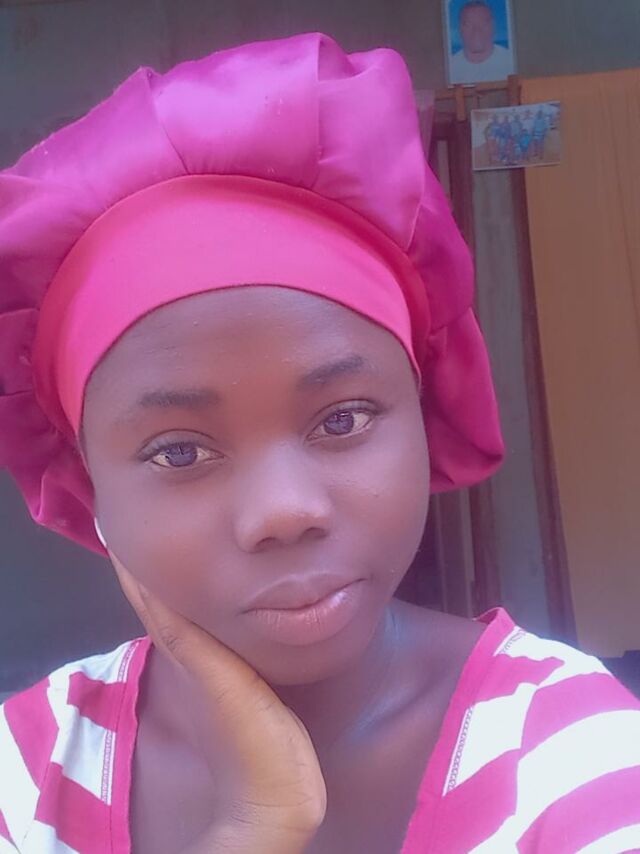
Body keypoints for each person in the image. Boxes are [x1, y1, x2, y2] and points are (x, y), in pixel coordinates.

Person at [1, 32, 640, 854]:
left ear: (422, 411)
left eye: (343, 419)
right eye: (178, 451)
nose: (285, 511)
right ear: (87, 484)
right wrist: (253, 829)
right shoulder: (28, 774)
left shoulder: (573, 756)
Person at [449, 1, 514, 85]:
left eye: (483, 23)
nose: (476, 30)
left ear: (493, 26)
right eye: (469, 24)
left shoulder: (508, 61)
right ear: (460, 29)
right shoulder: (451, 67)